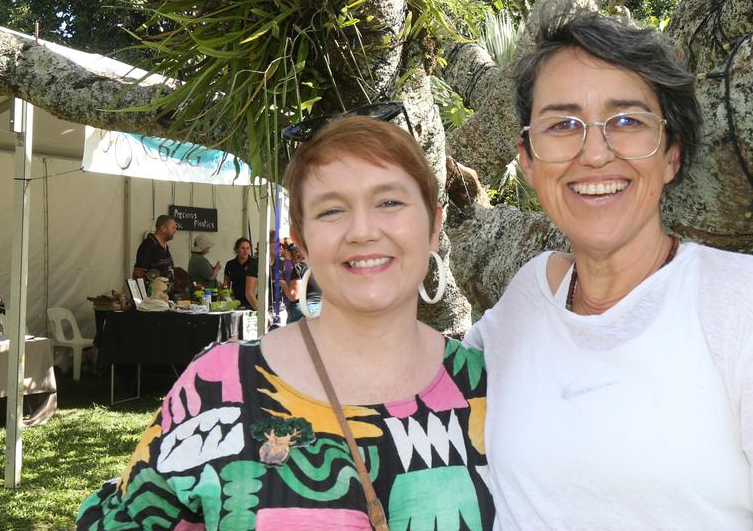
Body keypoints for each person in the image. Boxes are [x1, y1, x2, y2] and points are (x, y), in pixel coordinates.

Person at [466, 11, 753, 530]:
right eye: (562, 124)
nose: (594, 152)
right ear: (527, 158)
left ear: (672, 154)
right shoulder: (526, 301)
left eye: (627, 121)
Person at [77, 116, 493, 530]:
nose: (363, 231)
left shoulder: (488, 388)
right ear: (303, 240)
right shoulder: (220, 385)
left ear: (435, 225)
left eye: (390, 202)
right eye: (332, 210)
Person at [132, 215, 176, 281]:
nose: (175, 230)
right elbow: (138, 274)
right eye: (173, 228)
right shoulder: (148, 246)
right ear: (163, 228)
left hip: (165, 291)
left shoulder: (165, 246)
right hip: (152, 291)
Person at [223, 237, 259, 310]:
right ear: (236, 250)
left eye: (248, 248)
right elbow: (226, 285)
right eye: (243, 248)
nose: (245, 251)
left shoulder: (254, 263)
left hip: (252, 302)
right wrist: (228, 297)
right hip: (235, 302)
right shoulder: (230, 264)